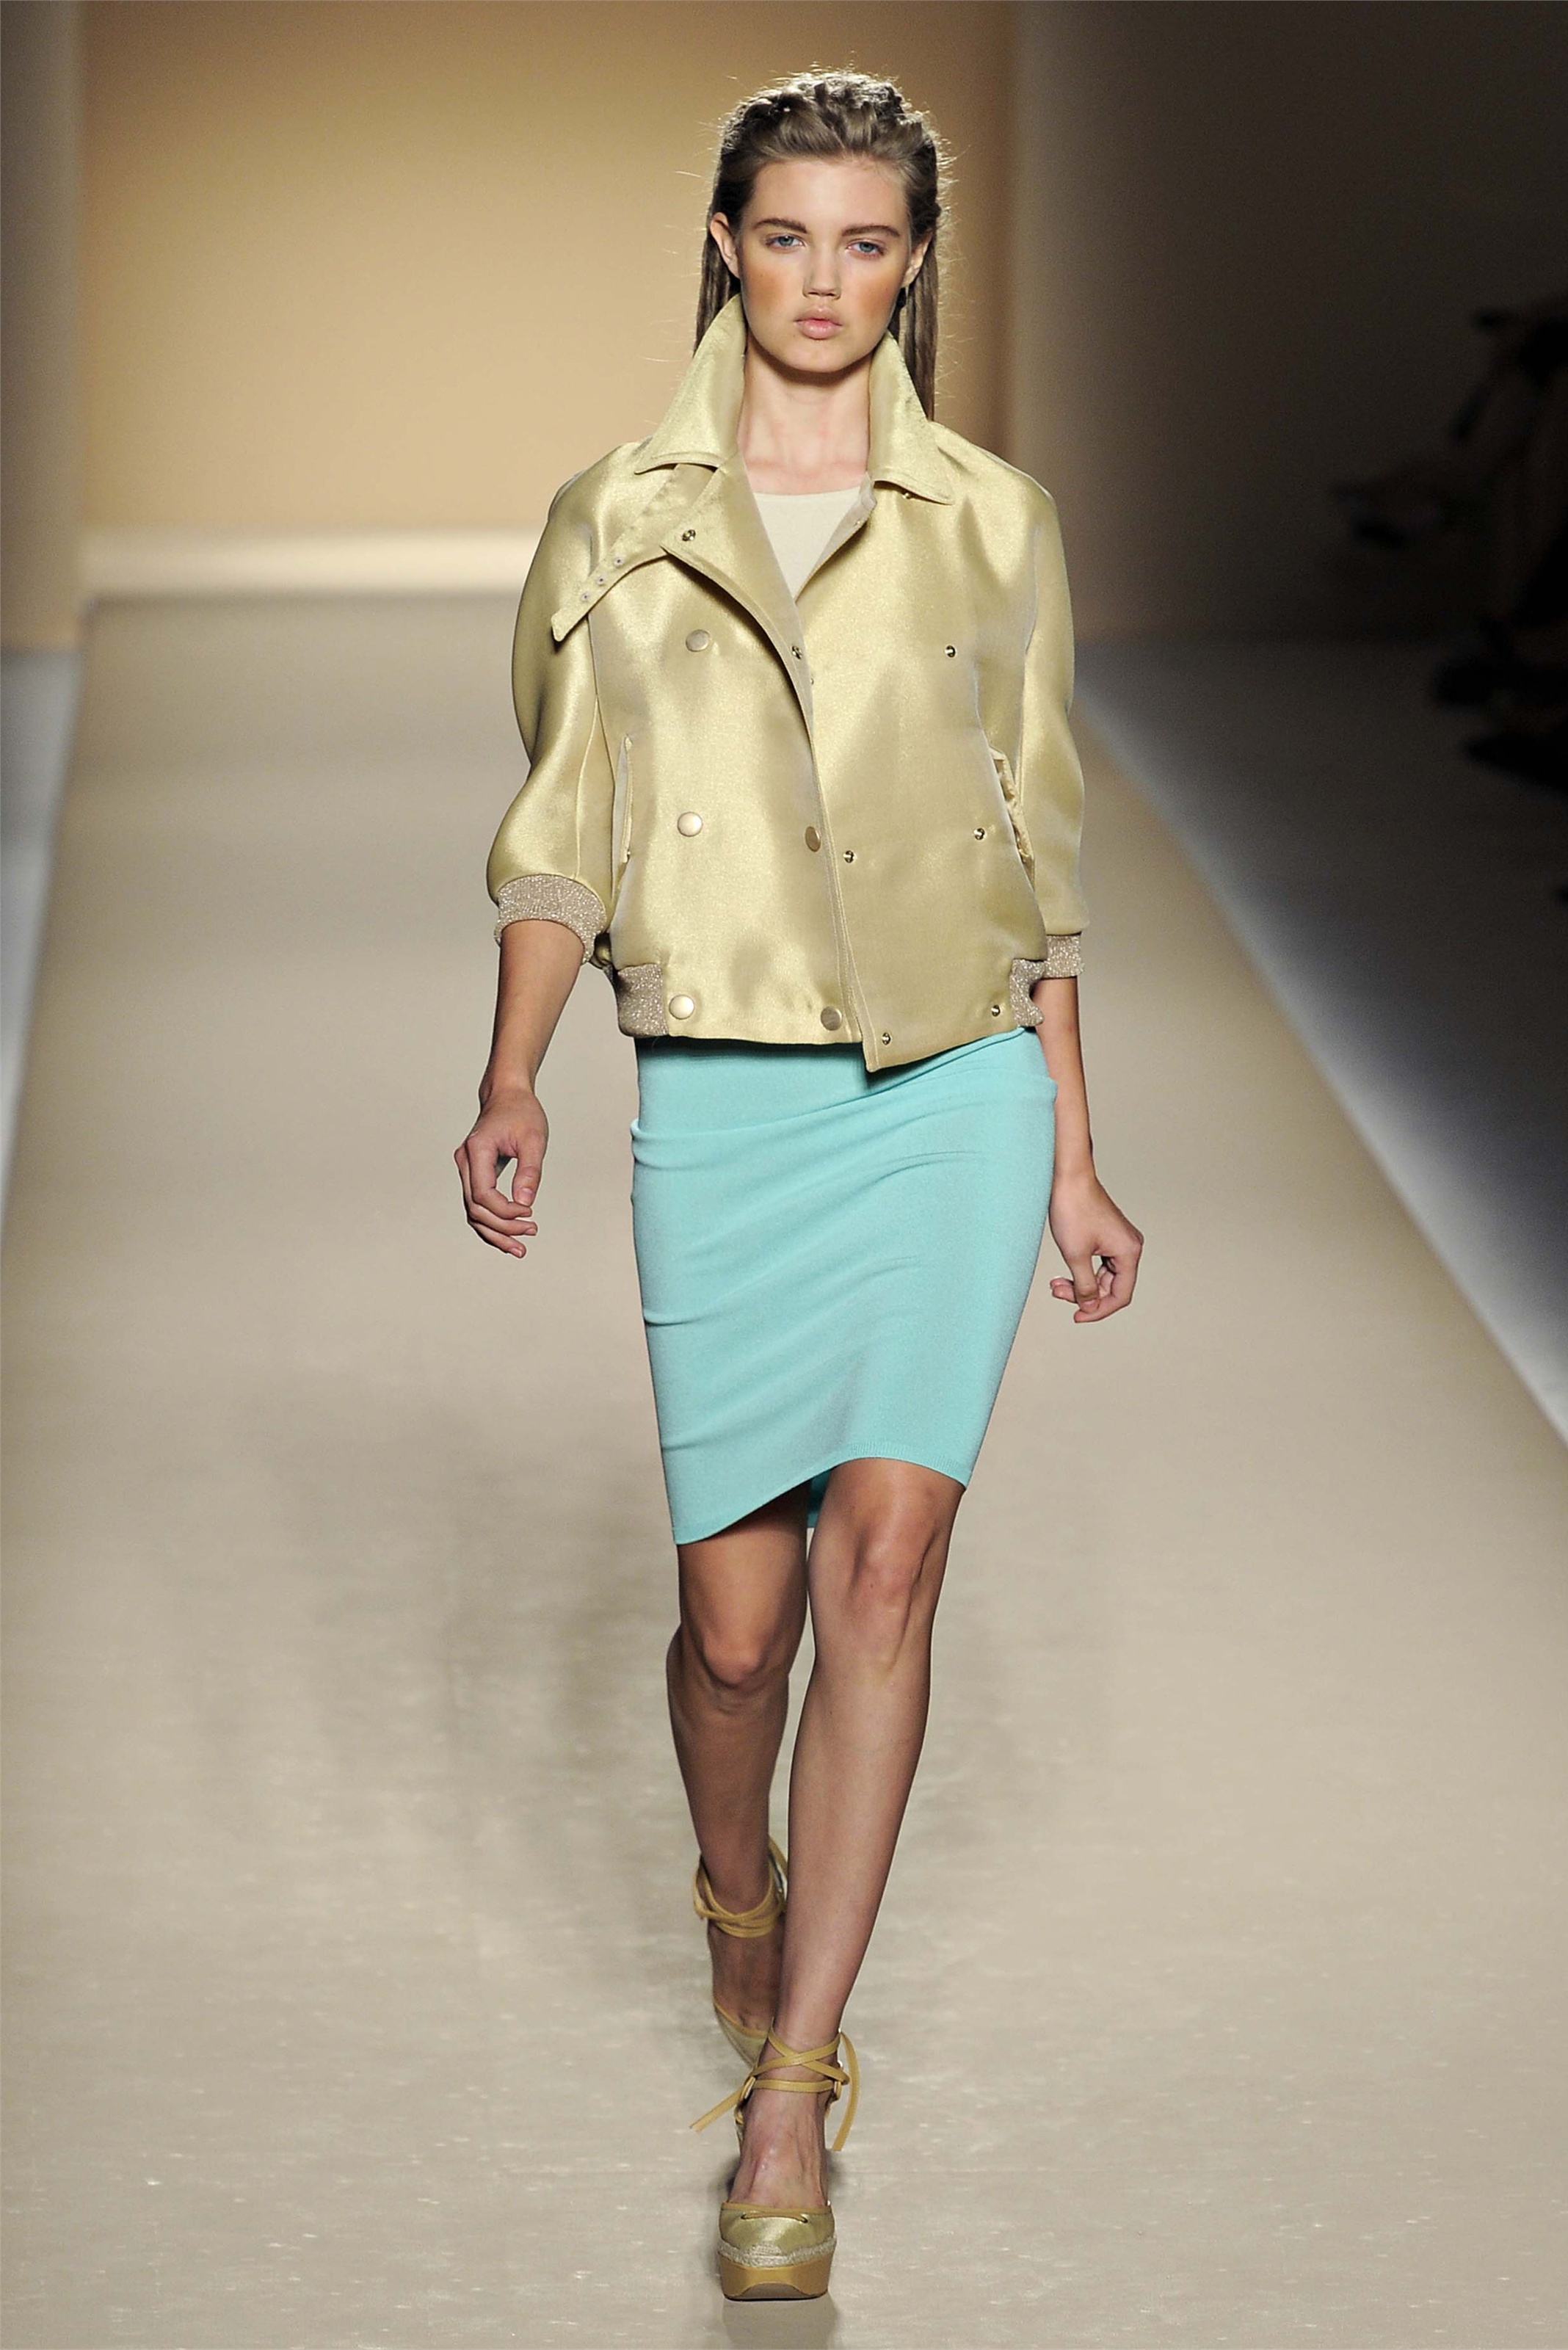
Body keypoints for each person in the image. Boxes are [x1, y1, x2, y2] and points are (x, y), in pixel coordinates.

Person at [454, 70, 1143, 2303]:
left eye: (867, 241)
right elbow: (564, 822)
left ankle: (794, 2083)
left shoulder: (996, 521)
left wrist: (1077, 1151)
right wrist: (515, 1073)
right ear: (725, 245)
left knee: (886, 1565)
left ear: (914, 263)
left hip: (950, 1092)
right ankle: (733, 1885)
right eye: (787, 235)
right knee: (736, 1632)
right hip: (723, 1095)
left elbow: (1036, 850)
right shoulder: (616, 516)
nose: (825, 279)